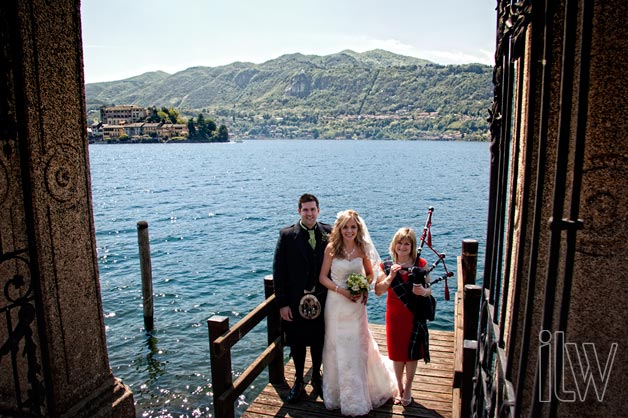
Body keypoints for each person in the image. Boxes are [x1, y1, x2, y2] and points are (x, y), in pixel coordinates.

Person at [318, 209, 397, 416]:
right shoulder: (331, 249)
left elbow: (370, 274)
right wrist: (342, 290)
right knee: (336, 346)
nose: (349, 231)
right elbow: (323, 278)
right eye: (346, 227)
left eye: (353, 227)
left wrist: (363, 287)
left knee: (356, 346)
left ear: (358, 228)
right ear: (340, 228)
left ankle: (359, 393)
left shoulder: (362, 249)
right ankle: (337, 395)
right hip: (336, 304)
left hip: (355, 306)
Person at [273, 194, 332, 403]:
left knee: (318, 341)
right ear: (299, 211)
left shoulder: (329, 232)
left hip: (323, 300)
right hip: (296, 302)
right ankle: (299, 381)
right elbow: (279, 272)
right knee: (297, 342)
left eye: (313, 209)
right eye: (305, 210)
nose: (309, 213)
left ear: (318, 210)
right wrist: (282, 304)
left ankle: (317, 376)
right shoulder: (287, 235)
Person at [374, 227, 432, 407]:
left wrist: (423, 291)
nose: (403, 246)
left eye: (407, 243)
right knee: (397, 355)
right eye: (400, 242)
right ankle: (399, 387)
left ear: (412, 246)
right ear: (394, 244)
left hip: (414, 315)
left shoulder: (421, 264)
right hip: (395, 317)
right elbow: (378, 291)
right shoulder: (385, 265)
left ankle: (408, 387)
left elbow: (430, 290)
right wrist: (391, 276)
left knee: (412, 356)